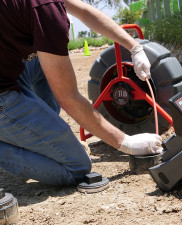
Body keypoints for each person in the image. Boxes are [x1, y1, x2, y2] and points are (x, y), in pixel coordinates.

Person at [0, 0, 163, 186]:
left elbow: (85, 12)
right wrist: (125, 142)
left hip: (8, 71)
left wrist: (134, 47)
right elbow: (68, 98)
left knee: (45, 59)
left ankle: (37, 137)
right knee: (76, 167)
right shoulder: (46, 10)